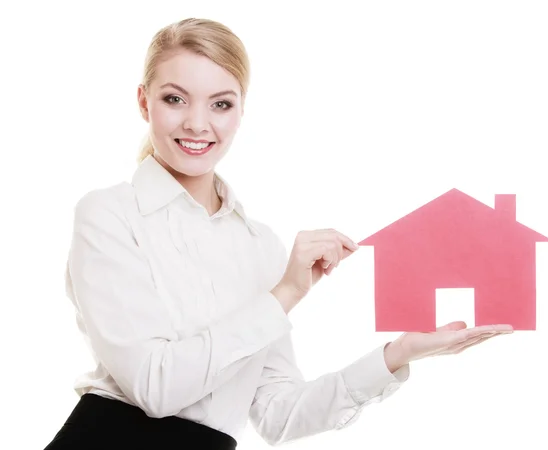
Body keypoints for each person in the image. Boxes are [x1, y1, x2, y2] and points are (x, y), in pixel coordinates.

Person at [44, 18, 513, 450]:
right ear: (144, 101)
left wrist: (397, 354)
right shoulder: (109, 214)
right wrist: (285, 293)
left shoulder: (259, 245)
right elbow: (155, 387)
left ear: (241, 111)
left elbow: (277, 414)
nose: (197, 123)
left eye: (221, 104)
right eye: (175, 99)